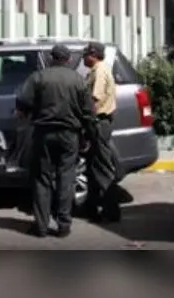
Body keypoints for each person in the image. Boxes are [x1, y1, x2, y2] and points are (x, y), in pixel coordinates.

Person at [15, 44, 98, 238]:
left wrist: (27, 115)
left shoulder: (38, 77)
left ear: (52, 58)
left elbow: (22, 102)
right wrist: (89, 137)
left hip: (43, 134)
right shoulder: (78, 80)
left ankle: (41, 226)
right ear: (68, 60)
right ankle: (64, 226)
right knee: (66, 179)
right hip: (69, 135)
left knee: (42, 179)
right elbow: (89, 113)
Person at [80, 41, 123, 223]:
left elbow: (93, 99)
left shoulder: (99, 71)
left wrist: (82, 117)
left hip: (98, 123)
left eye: (85, 55)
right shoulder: (97, 70)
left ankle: (111, 210)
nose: (83, 58)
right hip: (97, 123)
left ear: (93, 55)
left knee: (103, 167)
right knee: (92, 167)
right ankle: (92, 207)